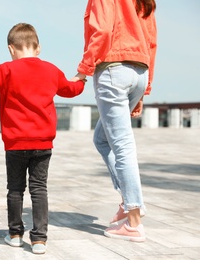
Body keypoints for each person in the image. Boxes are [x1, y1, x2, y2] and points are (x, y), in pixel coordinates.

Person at [0, 23, 85, 254]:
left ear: (11, 49)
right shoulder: (51, 70)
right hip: (43, 143)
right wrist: (82, 79)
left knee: (15, 189)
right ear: (38, 48)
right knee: (39, 189)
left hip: (15, 144)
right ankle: (39, 240)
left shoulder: (7, 70)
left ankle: (15, 234)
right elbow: (70, 90)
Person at [72, 0, 157, 242]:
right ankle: (128, 198)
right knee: (102, 139)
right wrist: (144, 89)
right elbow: (152, 42)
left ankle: (133, 221)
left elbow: (103, 31)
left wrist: (83, 70)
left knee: (122, 146)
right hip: (139, 72)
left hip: (113, 70)